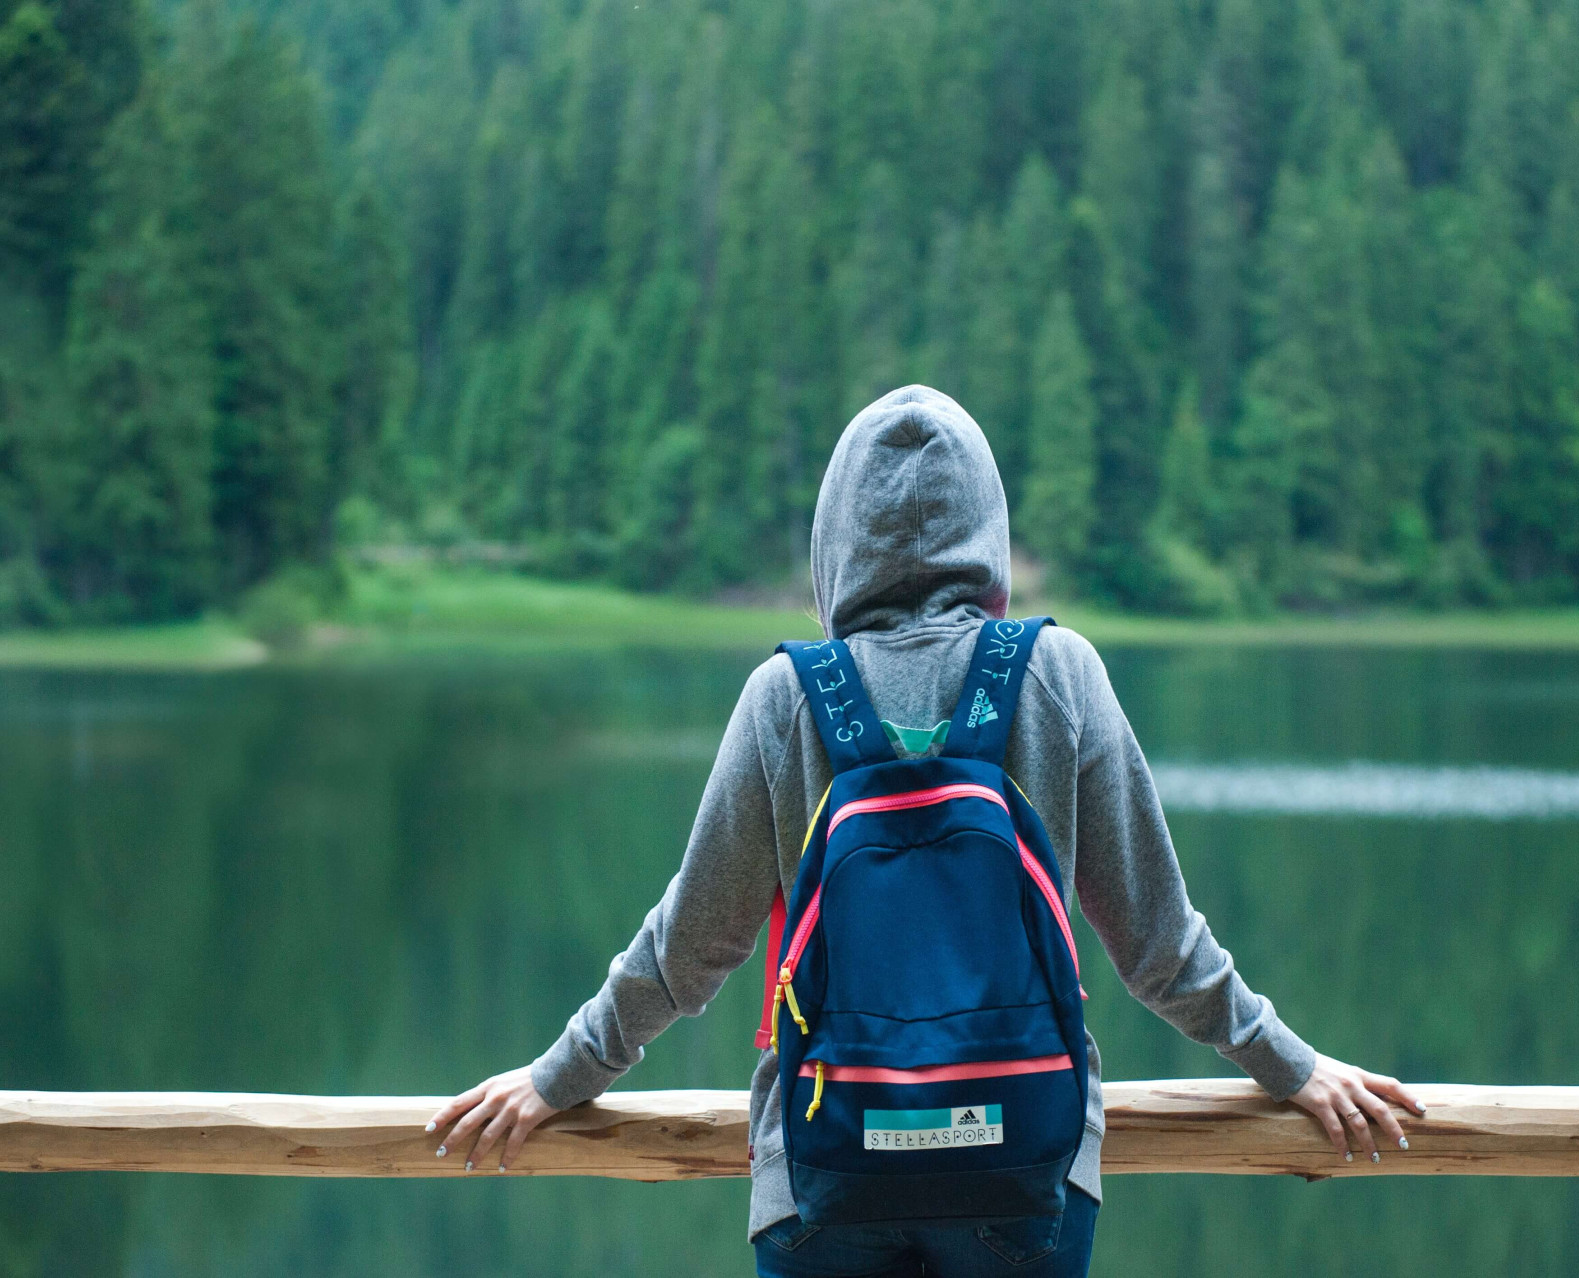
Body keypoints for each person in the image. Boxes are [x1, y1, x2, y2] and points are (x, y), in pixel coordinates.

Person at [430, 385, 1423, 1275]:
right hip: (1023, 1173)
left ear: (834, 538)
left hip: (827, 1179)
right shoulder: (1058, 673)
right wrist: (1293, 1067)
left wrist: (557, 1077)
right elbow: (1161, 952)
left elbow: (688, 953)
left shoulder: (785, 696)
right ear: (988, 529)